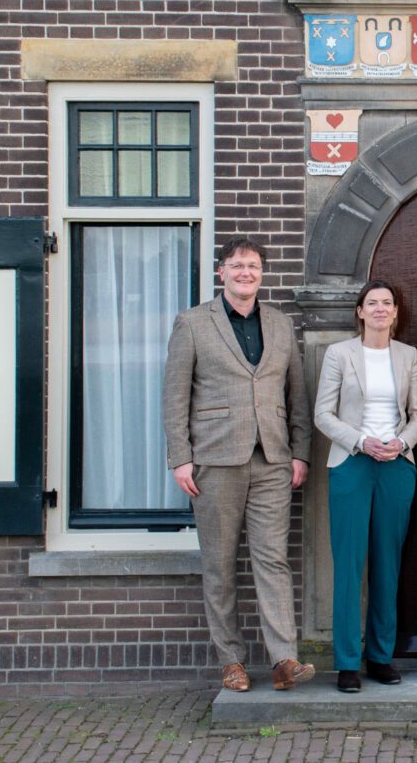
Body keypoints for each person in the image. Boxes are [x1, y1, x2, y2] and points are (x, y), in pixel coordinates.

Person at [162, 237, 315, 693]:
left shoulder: (280, 324)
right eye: (237, 265)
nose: (245, 272)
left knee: (273, 560)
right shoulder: (192, 323)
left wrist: (300, 452)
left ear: (262, 273)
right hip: (214, 460)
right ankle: (231, 661)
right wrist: (181, 457)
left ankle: (284, 659)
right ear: (221, 272)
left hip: (273, 459)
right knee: (220, 564)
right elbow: (175, 396)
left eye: (253, 266)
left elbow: (297, 394)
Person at [313, 280, 417, 694]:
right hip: (352, 464)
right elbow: (323, 414)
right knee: (348, 564)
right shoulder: (339, 353)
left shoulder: (408, 355)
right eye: (372, 303)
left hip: (396, 466)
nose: (380, 309)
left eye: (387, 303)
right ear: (360, 312)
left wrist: (402, 442)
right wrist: (362, 442)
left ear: (395, 312)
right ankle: (347, 662)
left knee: (387, 564)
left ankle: (380, 656)